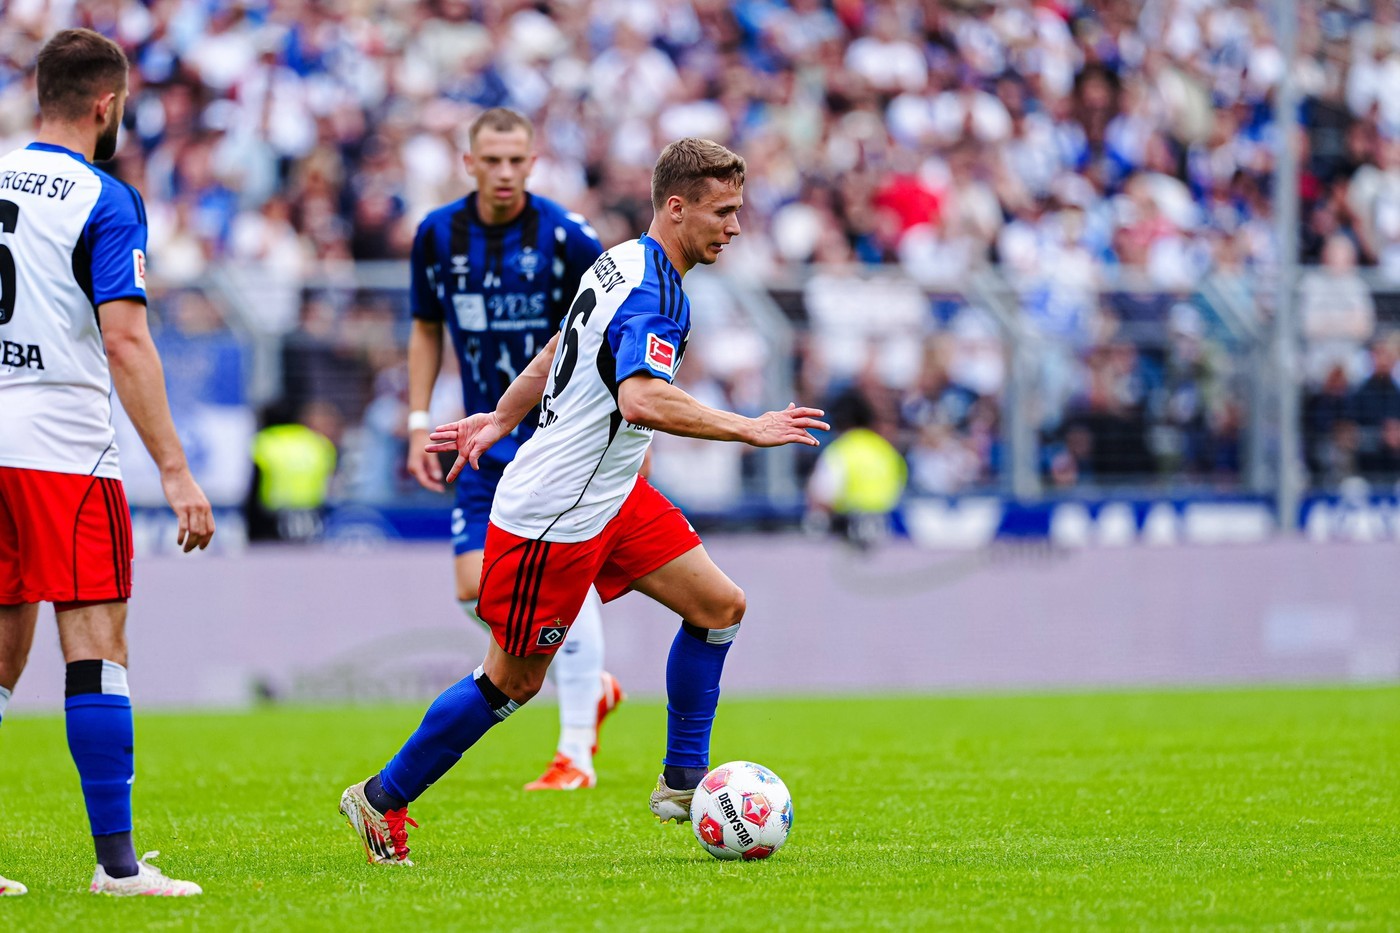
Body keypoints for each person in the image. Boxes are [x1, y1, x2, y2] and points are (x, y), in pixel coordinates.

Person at [339, 137, 828, 865]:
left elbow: (553, 349)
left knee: (719, 606)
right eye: (722, 212)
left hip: (609, 493)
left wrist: (502, 416)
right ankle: (380, 799)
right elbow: (640, 398)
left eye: (738, 211)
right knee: (511, 682)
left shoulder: (623, 259)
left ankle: (681, 778)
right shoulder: (653, 288)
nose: (733, 226)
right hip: (555, 516)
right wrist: (747, 428)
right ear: (676, 206)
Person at [0, 29, 215, 896]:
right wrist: (173, 467)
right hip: (61, 442)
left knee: (3, 648)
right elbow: (126, 341)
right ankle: (117, 866)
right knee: (95, 642)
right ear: (107, 105)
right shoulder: (105, 196)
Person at [402, 107, 623, 791]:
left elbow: (617, 324)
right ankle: (589, 681)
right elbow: (426, 327)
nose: (504, 172)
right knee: (476, 587)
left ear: (533, 162)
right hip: (482, 440)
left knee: (558, 581)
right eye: (490, 160)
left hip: (557, 439)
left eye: (516, 160)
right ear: (467, 163)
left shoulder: (566, 237)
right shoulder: (437, 235)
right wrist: (417, 419)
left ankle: (575, 752)